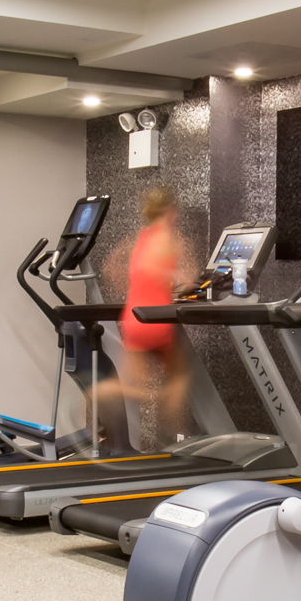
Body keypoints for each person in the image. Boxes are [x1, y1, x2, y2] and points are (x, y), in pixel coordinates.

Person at [102, 189, 190, 447]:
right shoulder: (168, 237)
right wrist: (180, 279)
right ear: (170, 210)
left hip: (134, 317)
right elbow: (167, 273)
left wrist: (135, 286)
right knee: (182, 374)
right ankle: (175, 429)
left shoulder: (140, 237)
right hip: (157, 320)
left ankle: (103, 391)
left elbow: (110, 268)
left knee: (132, 384)